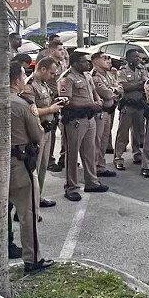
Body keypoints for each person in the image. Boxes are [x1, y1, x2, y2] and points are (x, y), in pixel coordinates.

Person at [0, 62, 54, 276]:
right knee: (28, 214)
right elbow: (36, 135)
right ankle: (32, 258)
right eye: (23, 76)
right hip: (19, 166)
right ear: (17, 80)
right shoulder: (21, 104)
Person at [58, 51, 109, 201]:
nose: (87, 64)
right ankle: (71, 187)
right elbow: (67, 101)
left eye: (87, 61)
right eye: (83, 62)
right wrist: (90, 104)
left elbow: (94, 92)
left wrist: (98, 101)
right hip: (75, 120)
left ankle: (92, 182)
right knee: (72, 155)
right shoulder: (67, 78)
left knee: (90, 152)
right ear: (74, 63)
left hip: (89, 118)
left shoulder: (87, 76)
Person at [27, 57, 65, 207]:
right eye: (51, 73)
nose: (53, 76)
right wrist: (50, 109)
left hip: (47, 128)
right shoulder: (30, 86)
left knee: (42, 167)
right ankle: (29, 203)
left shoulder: (43, 83)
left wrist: (58, 102)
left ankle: (38, 198)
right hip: (37, 130)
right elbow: (31, 110)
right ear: (42, 69)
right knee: (34, 168)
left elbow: (48, 101)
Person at [113, 49, 148, 170]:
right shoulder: (122, 71)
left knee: (138, 132)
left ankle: (137, 154)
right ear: (128, 58)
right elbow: (124, 86)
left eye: (138, 57)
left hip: (139, 105)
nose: (137, 59)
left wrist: (135, 86)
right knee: (123, 133)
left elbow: (146, 84)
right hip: (127, 105)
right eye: (134, 57)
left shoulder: (142, 69)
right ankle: (118, 157)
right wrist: (138, 85)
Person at [91, 53, 120, 178]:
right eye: (105, 58)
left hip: (110, 110)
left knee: (104, 140)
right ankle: (93, 167)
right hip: (100, 113)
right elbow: (106, 94)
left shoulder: (109, 74)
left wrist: (113, 90)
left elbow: (120, 88)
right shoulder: (94, 76)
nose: (109, 61)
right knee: (96, 141)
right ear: (96, 61)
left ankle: (101, 166)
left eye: (109, 58)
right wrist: (114, 90)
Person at [44, 39, 67, 173]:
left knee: (65, 131)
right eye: (59, 49)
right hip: (51, 101)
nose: (62, 51)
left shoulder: (62, 63)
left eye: (63, 49)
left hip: (63, 101)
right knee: (51, 133)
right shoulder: (48, 64)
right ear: (52, 50)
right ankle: (49, 160)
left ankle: (64, 158)